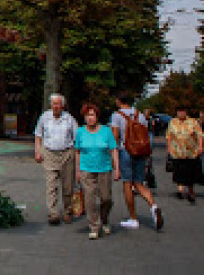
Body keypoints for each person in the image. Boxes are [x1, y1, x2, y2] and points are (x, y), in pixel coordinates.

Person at [110, 92, 163, 230]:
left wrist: (112, 156)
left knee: (127, 184)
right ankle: (153, 206)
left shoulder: (117, 116)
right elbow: (145, 134)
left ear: (118, 101)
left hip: (126, 150)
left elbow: (115, 136)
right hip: (140, 151)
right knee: (139, 183)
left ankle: (133, 218)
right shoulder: (140, 115)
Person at [74, 102, 119, 240]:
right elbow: (77, 152)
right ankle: (94, 226)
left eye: (92, 115)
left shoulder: (106, 131)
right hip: (86, 169)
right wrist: (77, 171)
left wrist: (117, 168)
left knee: (106, 198)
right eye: (87, 115)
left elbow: (113, 150)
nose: (90, 118)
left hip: (104, 168)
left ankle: (104, 218)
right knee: (89, 199)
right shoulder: (80, 132)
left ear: (97, 116)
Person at [33, 93, 78, 225]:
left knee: (68, 186)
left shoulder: (69, 119)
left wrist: (77, 156)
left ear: (62, 105)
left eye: (58, 104)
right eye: (53, 104)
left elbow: (77, 138)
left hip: (67, 154)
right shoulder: (44, 117)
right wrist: (37, 151)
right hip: (49, 153)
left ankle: (67, 211)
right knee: (51, 185)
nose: (56, 106)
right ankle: (53, 213)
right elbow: (38, 135)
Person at [166, 105, 204, 203]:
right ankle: (180, 190)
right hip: (177, 152)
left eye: (182, 111)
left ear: (186, 112)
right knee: (179, 171)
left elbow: (199, 135)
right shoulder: (173, 122)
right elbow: (169, 136)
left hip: (191, 152)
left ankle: (191, 190)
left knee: (190, 172)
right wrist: (169, 148)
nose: (180, 113)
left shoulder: (193, 122)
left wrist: (200, 147)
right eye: (179, 111)